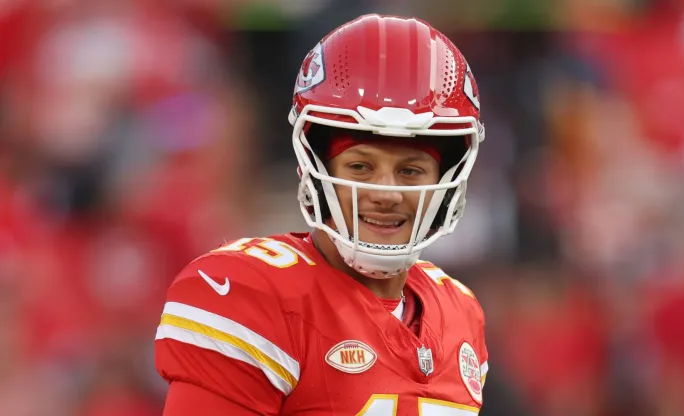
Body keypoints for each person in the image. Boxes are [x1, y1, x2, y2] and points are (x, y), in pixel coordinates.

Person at [154, 13, 488, 415]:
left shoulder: (459, 311)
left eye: (410, 171)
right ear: (318, 168)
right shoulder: (248, 294)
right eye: (360, 167)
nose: (386, 193)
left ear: (447, 179)